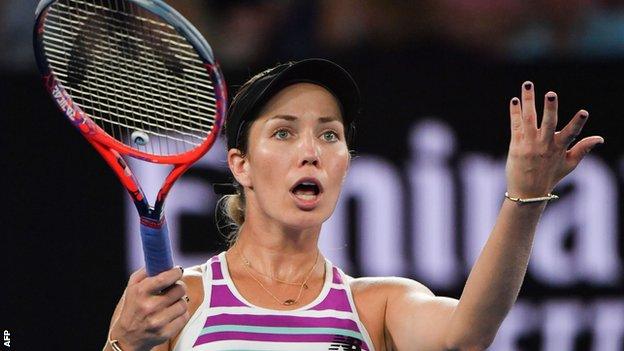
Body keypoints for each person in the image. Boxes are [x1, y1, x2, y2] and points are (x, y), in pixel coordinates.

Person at [103, 58, 604, 351]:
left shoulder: (377, 305)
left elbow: (465, 336)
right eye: (283, 132)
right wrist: (123, 345)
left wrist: (526, 197)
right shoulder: (179, 304)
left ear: (346, 161)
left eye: (329, 134)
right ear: (241, 166)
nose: (310, 151)